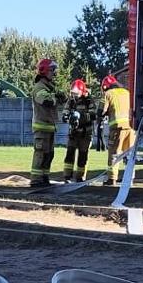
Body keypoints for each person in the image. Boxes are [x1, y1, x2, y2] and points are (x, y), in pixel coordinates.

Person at [28, 58, 65, 187]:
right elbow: (46, 101)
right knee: (40, 154)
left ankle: (44, 178)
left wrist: (61, 96)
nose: (54, 73)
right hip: (42, 127)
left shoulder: (50, 87)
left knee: (49, 154)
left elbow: (59, 99)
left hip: (50, 127)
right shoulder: (39, 87)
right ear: (44, 71)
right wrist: (56, 97)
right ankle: (36, 180)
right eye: (52, 70)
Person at [61, 78, 100, 182]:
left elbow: (93, 115)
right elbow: (65, 110)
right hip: (73, 133)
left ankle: (80, 177)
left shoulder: (88, 100)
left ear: (82, 91)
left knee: (83, 156)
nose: (74, 95)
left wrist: (80, 116)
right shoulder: (71, 100)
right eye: (73, 93)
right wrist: (66, 116)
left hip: (85, 134)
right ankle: (67, 176)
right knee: (69, 154)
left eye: (76, 93)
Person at [100, 75, 135, 186]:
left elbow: (101, 111)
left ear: (105, 86)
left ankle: (112, 179)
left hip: (117, 128)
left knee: (114, 154)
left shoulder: (108, 94)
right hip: (131, 128)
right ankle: (130, 178)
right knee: (130, 154)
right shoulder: (127, 92)